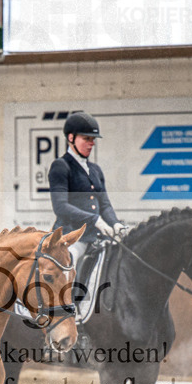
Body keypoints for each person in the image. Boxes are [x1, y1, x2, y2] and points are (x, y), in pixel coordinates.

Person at [49, 111, 126, 271]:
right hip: (72, 238)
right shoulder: (61, 166)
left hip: (97, 239)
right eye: (86, 138)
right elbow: (60, 207)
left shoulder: (95, 170)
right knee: (69, 263)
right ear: (71, 138)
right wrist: (95, 220)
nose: (92, 143)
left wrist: (115, 223)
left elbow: (104, 205)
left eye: (93, 139)